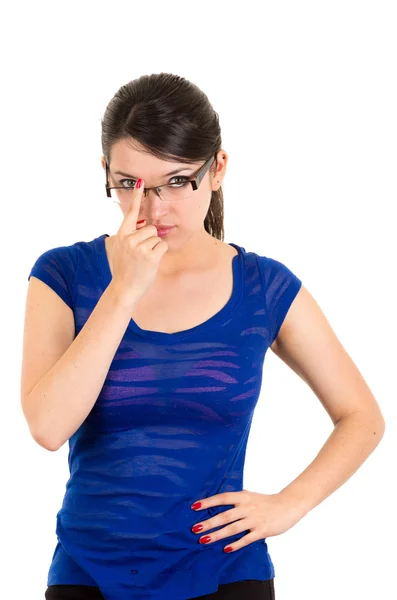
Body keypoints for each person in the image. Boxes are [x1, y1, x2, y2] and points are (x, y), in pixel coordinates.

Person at [21, 73, 384, 600]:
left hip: (225, 574)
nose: (151, 209)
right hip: (88, 576)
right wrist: (123, 292)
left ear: (217, 170)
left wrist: (291, 503)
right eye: (129, 184)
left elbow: (362, 417)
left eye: (176, 181)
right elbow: (48, 427)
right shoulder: (63, 274)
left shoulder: (262, 285)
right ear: (106, 173)